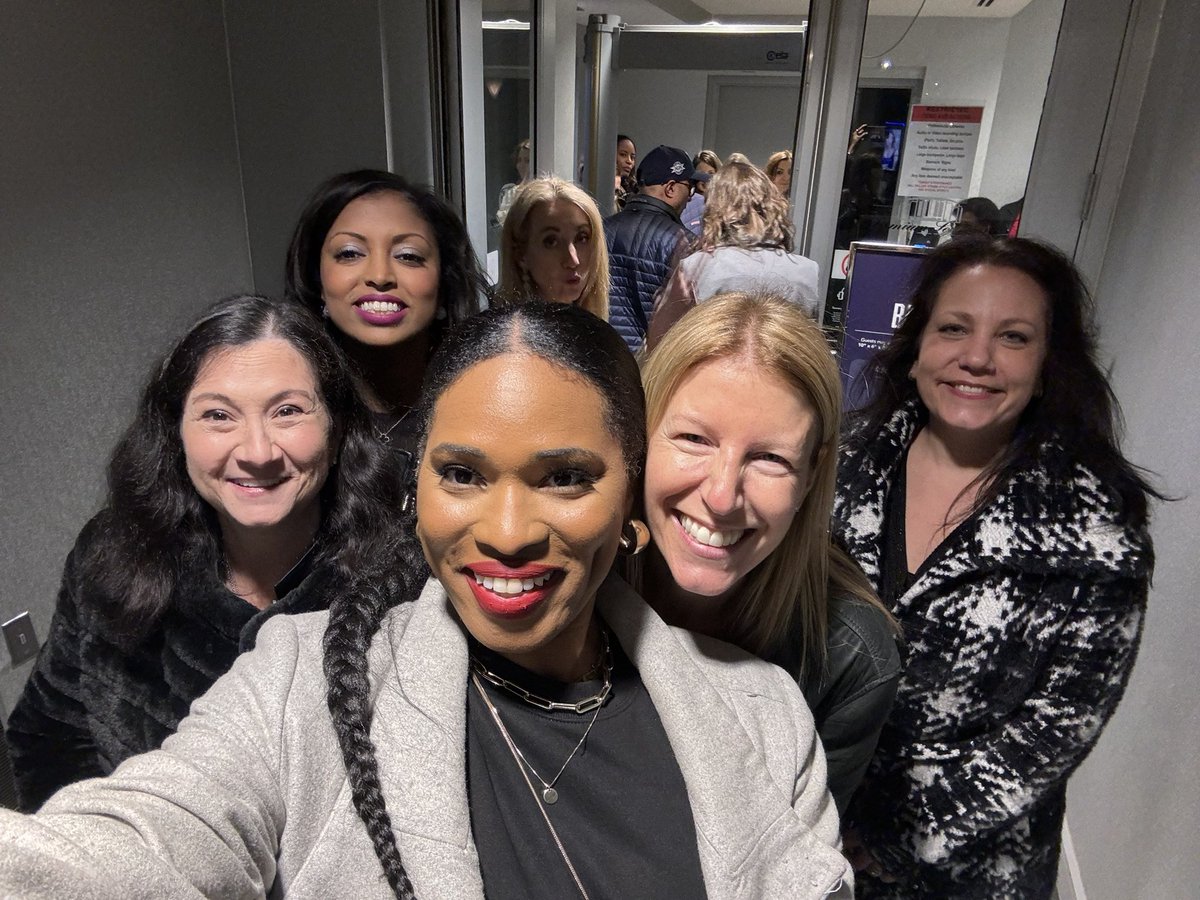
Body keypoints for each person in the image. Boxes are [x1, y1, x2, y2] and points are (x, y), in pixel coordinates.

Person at [0, 302, 852, 900]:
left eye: (564, 477)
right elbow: (137, 843)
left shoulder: (765, 718)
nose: (508, 530)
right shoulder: (299, 683)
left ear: (632, 495)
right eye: (463, 474)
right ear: (416, 489)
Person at [833, 236, 1159, 898]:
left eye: (1013, 337)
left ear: (1047, 364)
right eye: (954, 327)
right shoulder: (839, 466)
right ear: (917, 341)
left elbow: (1055, 726)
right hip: (814, 827)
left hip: (970, 868)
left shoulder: (1094, 529)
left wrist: (898, 829)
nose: (976, 358)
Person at [4, 295, 407, 812]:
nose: (257, 452)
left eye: (288, 411)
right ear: (176, 431)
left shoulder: (402, 572)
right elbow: (48, 735)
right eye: (218, 415)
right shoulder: (111, 554)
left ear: (336, 424)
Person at [637, 292, 901, 815]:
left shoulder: (850, 657)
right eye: (693, 438)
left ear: (810, 476)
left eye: (769, 458)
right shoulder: (573, 575)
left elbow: (796, 862)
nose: (720, 495)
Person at [285, 169, 486, 454]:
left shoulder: (489, 409)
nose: (379, 276)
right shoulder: (289, 418)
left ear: (444, 285)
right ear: (317, 280)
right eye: (349, 253)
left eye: (408, 256)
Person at [645, 162, 821, 351]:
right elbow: (810, 348)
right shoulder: (807, 271)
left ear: (715, 207)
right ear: (771, 205)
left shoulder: (697, 267)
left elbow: (660, 341)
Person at [604, 145, 710, 351]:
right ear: (670, 188)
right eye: (689, 187)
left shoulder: (601, 229)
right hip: (650, 370)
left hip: (602, 360)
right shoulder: (684, 243)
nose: (691, 197)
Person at [497, 176, 609, 318]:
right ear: (520, 253)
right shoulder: (508, 336)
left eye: (582, 238)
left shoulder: (595, 330)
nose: (573, 260)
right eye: (551, 241)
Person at [680, 149, 721, 233]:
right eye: (700, 173)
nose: (705, 178)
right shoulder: (683, 202)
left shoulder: (722, 205)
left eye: (710, 173)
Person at [495, 137, 531, 226]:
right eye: (519, 160)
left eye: (527, 161)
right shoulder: (511, 192)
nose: (521, 165)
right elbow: (503, 220)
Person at [614, 133, 637, 209]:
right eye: (623, 154)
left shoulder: (633, 188)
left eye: (632, 157)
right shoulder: (597, 184)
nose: (629, 161)